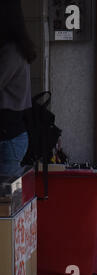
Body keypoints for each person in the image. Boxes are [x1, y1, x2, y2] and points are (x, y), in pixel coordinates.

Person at [0, 0, 36, 177]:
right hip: (12, 133)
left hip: (9, 135)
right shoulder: (15, 49)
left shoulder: (11, 51)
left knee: (5, 199)